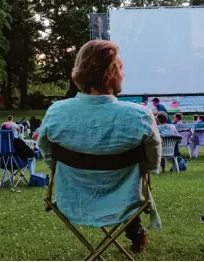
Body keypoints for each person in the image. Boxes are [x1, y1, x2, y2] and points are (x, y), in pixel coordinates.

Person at [36, 39, 161, 253]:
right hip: (125, 202)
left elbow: (50, 158)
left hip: (73, 201)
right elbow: (152, 162)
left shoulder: (56, 113)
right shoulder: (139, 116)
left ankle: (133, 232)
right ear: (109, 73)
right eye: (120, 68)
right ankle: (135, 229)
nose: (123, 73)